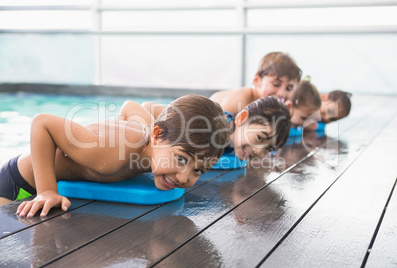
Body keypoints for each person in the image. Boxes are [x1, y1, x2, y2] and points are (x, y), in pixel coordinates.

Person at [0, 95, 230, 217]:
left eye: (198, 170)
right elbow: (43, 123)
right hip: (18, 184)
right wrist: (47, 191)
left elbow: (130, 106)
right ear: (157, 134)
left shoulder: (152, 137)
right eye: (181, 159)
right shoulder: (111, 155)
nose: (183, 178)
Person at [142, 96, 291, 161]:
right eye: (259, 138)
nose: (259, 150)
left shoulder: (233, 142)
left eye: (268, 149)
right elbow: (148, 107)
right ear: (241, 118)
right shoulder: (209, 126)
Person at [209, 52, 302, 115]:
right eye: (276, 84)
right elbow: (215, 128)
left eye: (289, 88)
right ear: (257, 80)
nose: (282, 93)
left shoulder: (273, 108)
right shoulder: (241, 99)